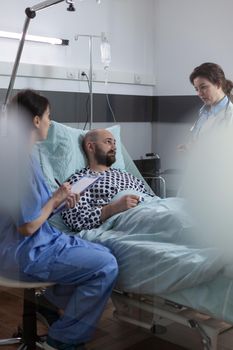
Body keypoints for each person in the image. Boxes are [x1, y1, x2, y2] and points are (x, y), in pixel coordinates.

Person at [0, 90, 118, 350]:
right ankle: (62, 340)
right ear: (35, 121)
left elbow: (31, 209)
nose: (51, 122)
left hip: (32, 243)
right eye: (49, 117)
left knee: (104, 251)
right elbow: (27, 226)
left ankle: (48, 305)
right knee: (106, 266)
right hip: (24, 251)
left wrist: (59, 198)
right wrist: (54, 201)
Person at [61, 128, 154, 232]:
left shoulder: (126, 175)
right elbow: (75, 219)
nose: (114, 147)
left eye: (114, 143)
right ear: (91, 147)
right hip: (130, 220)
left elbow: (150, 198)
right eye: (108, 142)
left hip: (152, 208)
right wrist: (112, 209)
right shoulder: (81, 179)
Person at [178, 62, 233, 150]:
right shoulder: (204, 112)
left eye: (203, 87)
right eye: (196, 89)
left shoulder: (230, 115)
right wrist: (189, 147)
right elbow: (199, 141)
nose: (199, 93)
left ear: (218, 84)